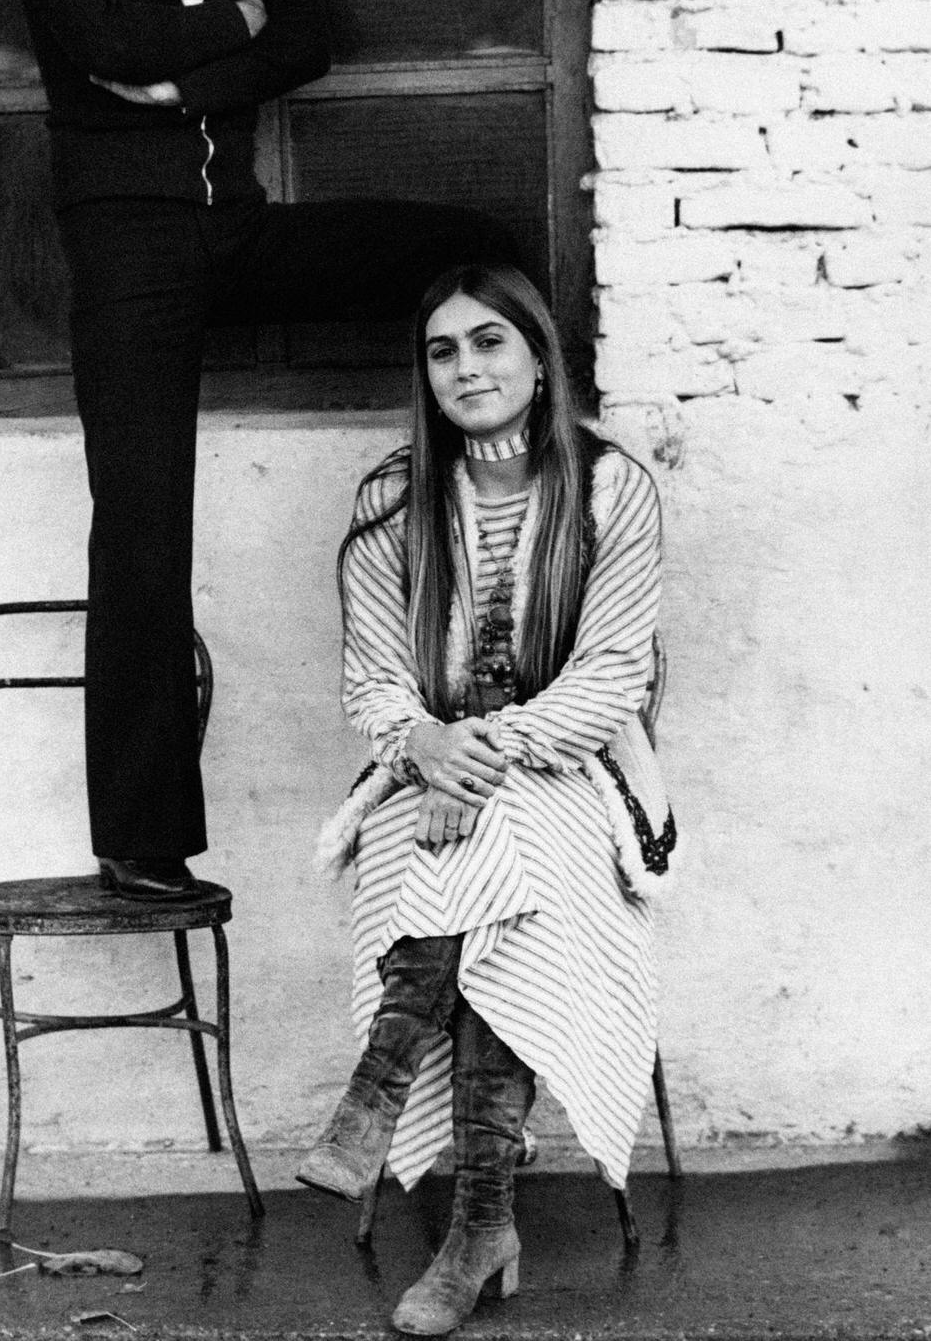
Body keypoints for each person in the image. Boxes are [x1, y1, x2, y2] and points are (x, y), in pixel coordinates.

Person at [13, 0, 510, 898]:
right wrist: (233, 24)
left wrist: (181, 68)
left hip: (231, 230)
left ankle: (517, 479)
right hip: (126, 253)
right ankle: (142, 842)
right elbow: (88, 36)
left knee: (474, 251)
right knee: (141, 534)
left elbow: (314, 36)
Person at [299, 263, 675, 1336]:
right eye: (442, 350)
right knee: (484, 876)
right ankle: (477, 1225)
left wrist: (482, 750)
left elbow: (610, 677)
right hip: (424, 774)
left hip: (577, 769)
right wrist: (425, 741)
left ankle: (374, 1093)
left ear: (539, 357)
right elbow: (371, 675)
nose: (465, 367)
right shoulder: (391, 495)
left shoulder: (608, 486)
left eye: (488, 343)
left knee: (508, 848)